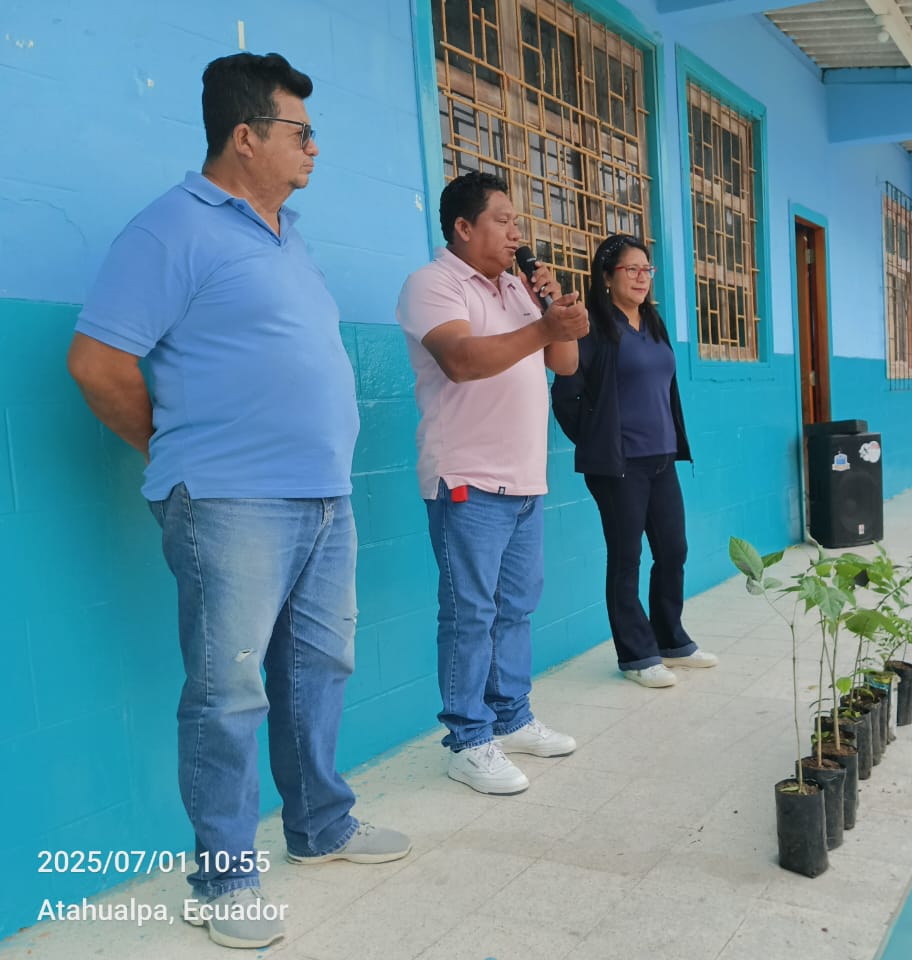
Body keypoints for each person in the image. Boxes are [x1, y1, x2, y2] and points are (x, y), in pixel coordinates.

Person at [66, 52, 410, 951]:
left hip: (324, 498)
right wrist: (173, 448)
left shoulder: (287, 234)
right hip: (228, 502)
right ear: (246, 136)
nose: (315, 148)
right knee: (228, 694)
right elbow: (96, 363)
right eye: (302, 132)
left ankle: (321, 825)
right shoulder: (168, 229)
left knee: (318, 671)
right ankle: (222, 879)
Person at [396, 172, 587, 796]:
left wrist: (556, 317)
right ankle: (468, 739)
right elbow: (460, 360)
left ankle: (511, 718)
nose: (516, 233)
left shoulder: (516, 286)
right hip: (467, 478)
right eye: (502, 220)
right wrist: (544, 328)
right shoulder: (434, 284)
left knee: (516, 607)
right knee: (470, 613)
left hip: (524, 478)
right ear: (463, 227)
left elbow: (564, 363)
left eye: (516, 221)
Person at [550, 235, 716, 688]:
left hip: (662, 458)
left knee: (674, 551)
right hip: (620, 465)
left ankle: (671, 640)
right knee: (627, 558)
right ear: (607, 276)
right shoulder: (593, 328)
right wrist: (598, 442)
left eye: (647, 270)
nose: (642, 278)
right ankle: (637, 655)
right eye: (632, 269)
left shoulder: (653, 323)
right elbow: (565, 394)